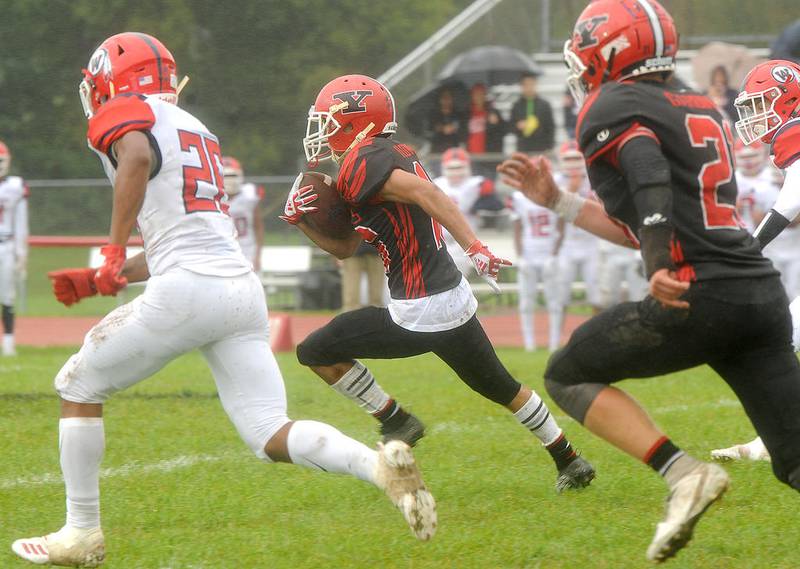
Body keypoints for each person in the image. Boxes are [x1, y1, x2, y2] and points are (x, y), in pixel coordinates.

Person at [11, 34, 436, 567]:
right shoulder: (198, 130)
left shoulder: (128, 114)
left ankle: (80, 532)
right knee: (267, 430)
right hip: (239, 291)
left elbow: (138, 156)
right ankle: (379, 467)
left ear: (113, 81)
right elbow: (188, 235)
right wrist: (110, 276)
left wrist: (115, 250)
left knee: (77, 384)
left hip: (189, 289)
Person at [500, 1, 800, 563]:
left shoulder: (611, 103)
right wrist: (558, 202)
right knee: (795, 461)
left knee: (567, 373)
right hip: (758, 294)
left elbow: (647, 177)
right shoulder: (698, 104)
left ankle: (684, 474)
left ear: (609, 48)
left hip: (697, 293)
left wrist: (661, 263)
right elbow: (634, 223)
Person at [293, 74, 595, 492]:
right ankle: (569, 459)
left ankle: (396, 419)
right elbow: (346, 248)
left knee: (314, 351)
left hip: (418, 308)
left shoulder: (363, 162)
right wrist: (301, 222)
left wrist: (474, 246)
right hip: (451, 298)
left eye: (328, 121)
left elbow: (428, 193)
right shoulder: (390, 152)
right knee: (502, 387)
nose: (323, 131)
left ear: (354, 120)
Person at [711, 59, 800, 463]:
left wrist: (749, 246)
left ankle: (773, 442)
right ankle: (773, 442)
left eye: (762, 103)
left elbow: (793, 197)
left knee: (784, 336)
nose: (755, 115)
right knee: (788, 335)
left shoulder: (794, 132)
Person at [509, 186, 562, 352]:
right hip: (529, 254)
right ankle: (529, 344)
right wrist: (520, 257)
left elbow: (561, 230)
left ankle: (554, 343)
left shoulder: (554, 196)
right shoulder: (519, 198)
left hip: (548, 253)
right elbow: (517, 230)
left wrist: (554, 255)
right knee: (526, 302)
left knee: (554, 302)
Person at [552, 142, 600, 312]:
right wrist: (571, 189)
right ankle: (557, 337)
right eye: (568, 158)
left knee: (597, 293)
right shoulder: (556, 180)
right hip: (567, 243)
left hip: (592, 241)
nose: (572, 163)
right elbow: (555, 211)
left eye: (576, 158)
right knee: (562, 292)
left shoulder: (594, 178)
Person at [432, 147, 495, 276]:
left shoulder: (476, 183)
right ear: (444, 168)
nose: (455, 173)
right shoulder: (436, 183)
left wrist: (476, 206)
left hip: (464, 242)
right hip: (439, 240)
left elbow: (495, 203)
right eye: (451, 168)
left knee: (458, 277)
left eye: (459, 168)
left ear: (467, 167)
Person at [0, 141, 28, 356]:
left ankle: (8, 343)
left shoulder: (15, 186)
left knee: (7, 295)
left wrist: (22, 254)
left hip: (7, 245)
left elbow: (21, 222)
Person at [223, 156, 264, 272]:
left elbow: (258, 227)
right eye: (226, 176)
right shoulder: (214, 198)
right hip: (224, 251)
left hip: (248, 250)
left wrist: (258, 255)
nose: (229, 179)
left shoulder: (249, 195)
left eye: (232, 175)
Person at [510, 72, 555, 154]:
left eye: (531, 84)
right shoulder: (516, 105)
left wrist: (550, 147)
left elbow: (550, 127)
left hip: (541, 148)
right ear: (521, 86)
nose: (529, 88)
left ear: (535, 84)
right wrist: (518, 126)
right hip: (523, 148)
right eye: (526, 85)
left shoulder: (544, 105)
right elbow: (511, 126)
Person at [340, 242, 386, 312]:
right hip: (352, 251)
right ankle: (350, 318)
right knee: (351, 298)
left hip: (376, 250)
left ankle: (376, 318)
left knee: (376, 298)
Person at [466, 83, 506, 156]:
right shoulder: (467, 113)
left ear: (485, 95)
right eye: (476, 94)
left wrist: (497, 122)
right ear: (472, 96)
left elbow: (505, 129)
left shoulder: (492, 111)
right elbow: (462, 132)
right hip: (471, 154)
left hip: (489, 154)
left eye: (481, 94)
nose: (478, 97)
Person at [429, 88, 465, 152]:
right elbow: (430, 129)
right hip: (437, 150)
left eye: (448, 97)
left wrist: (454, 128)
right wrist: (442, 128)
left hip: (454, 150)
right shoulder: (434, 114)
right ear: (440, 100)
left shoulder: (458, 114)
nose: (446, 100)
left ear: (452, 99)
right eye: (444, 97)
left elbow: (462, 129)